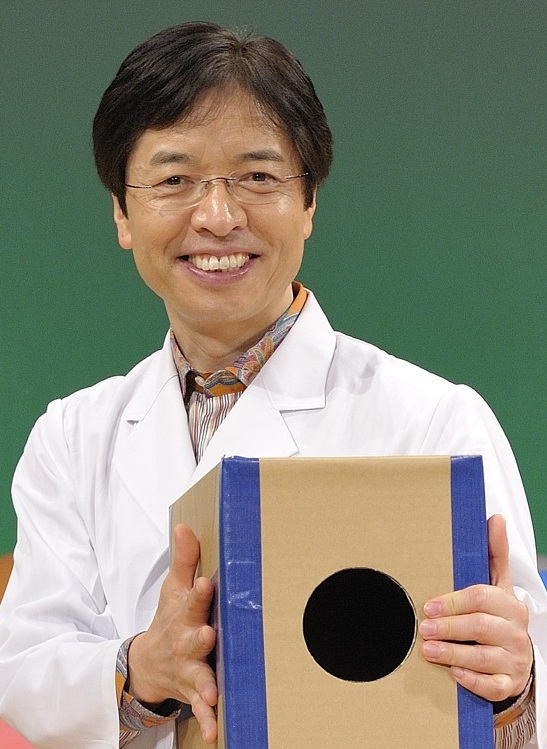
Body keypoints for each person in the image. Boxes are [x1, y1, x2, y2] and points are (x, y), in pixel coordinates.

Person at [0, 21, 545, 749]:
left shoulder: (433, 421)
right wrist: (140, 669)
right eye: (173, 179)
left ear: (309, 201)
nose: (218, 216)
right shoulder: (72, 439)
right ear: (122, 213)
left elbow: (528, 686)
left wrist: (515, 686)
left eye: (257, 177)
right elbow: (27, 669)